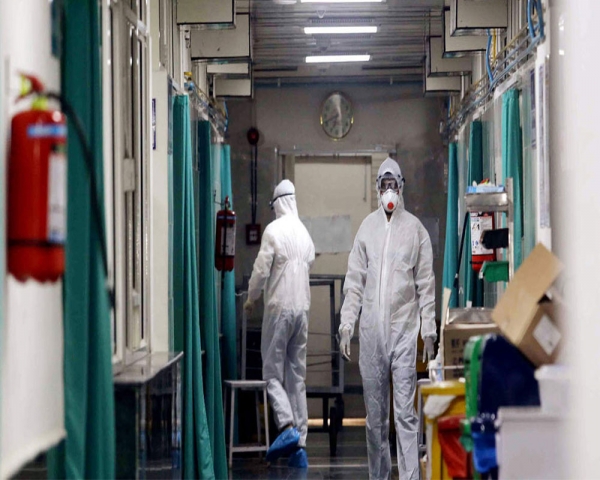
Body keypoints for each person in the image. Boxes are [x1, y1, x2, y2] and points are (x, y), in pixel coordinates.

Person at [338, 158, 436, 480]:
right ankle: (378, 476)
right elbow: (354, 281)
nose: (389, 190)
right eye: (384, 184)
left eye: (394, 184)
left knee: (405, 416)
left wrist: (429, 329)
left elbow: (426, 284)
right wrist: (346, 323)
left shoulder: (416, 231)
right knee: (375, 421)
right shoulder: (367, 229)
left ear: (401, 186)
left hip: (404, 333)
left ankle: (410, 477)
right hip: (371, 336)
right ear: (378, 188)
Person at [244, 179, 315, 469]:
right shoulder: (305, 234)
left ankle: (286, 426)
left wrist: (251, 298)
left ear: (278, 204)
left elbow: (261, 270)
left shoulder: (273, 231)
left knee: (272, 372)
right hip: (303, 311)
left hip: (279, 310)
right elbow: (309, 262)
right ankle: (300, 444)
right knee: (296, 375)